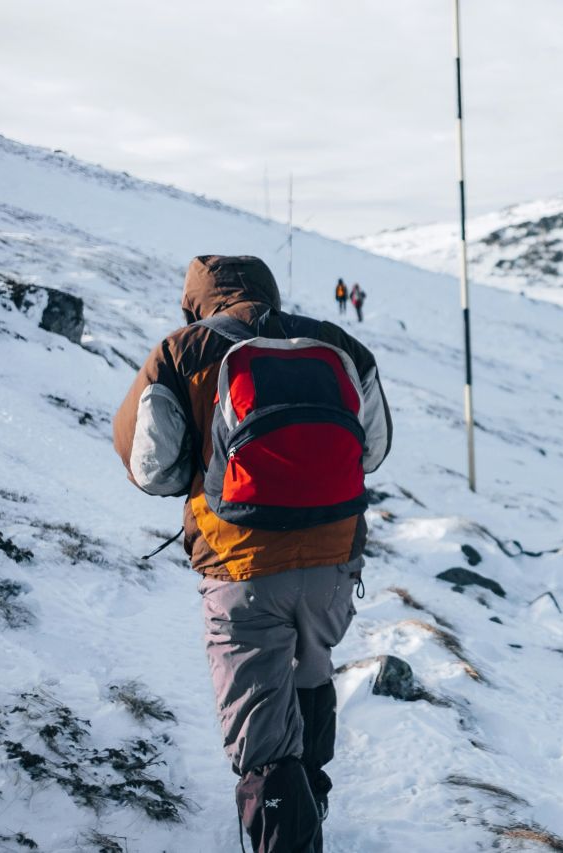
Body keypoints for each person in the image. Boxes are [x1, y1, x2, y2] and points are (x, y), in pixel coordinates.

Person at [112, 255, 392, 852]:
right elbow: (373, 450)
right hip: (333, 560)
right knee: (311, 678)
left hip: (240, 564)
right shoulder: (336, 343)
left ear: (195, 301)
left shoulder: (180, 351)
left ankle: (288, 833)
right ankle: (311, 803)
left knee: (262, 734)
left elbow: (153, 469)